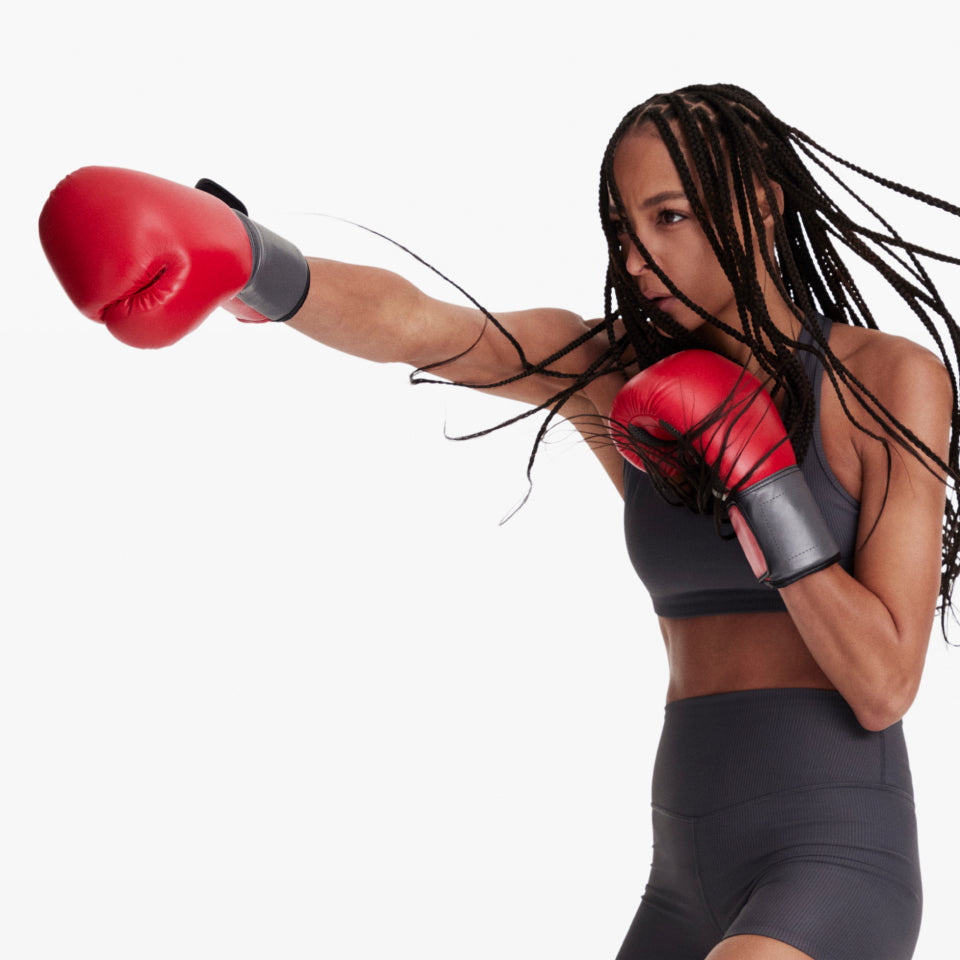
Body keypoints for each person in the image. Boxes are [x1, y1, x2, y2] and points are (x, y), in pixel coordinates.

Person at [39, 84, 960, 960]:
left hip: (834, 852)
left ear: (760, 205)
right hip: (683, 865)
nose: (638, 259)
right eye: (623, 229)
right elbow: (429, 327)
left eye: (669, 217)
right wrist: (252, 262)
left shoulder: (885, 382)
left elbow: (885, 686)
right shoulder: (619, 377)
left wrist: (766, 489)